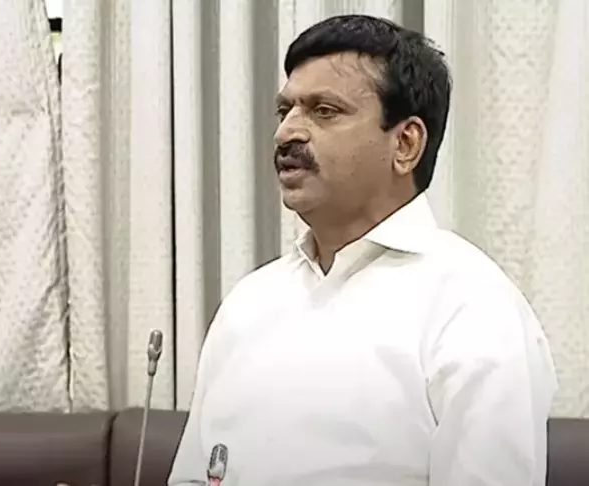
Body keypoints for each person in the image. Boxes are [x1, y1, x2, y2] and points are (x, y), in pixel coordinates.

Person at [168, 14, 558, 486]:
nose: (286, 133)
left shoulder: (474, 309)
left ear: (405, 143)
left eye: (323, 111)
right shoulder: (248, 303)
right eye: (285, 110)